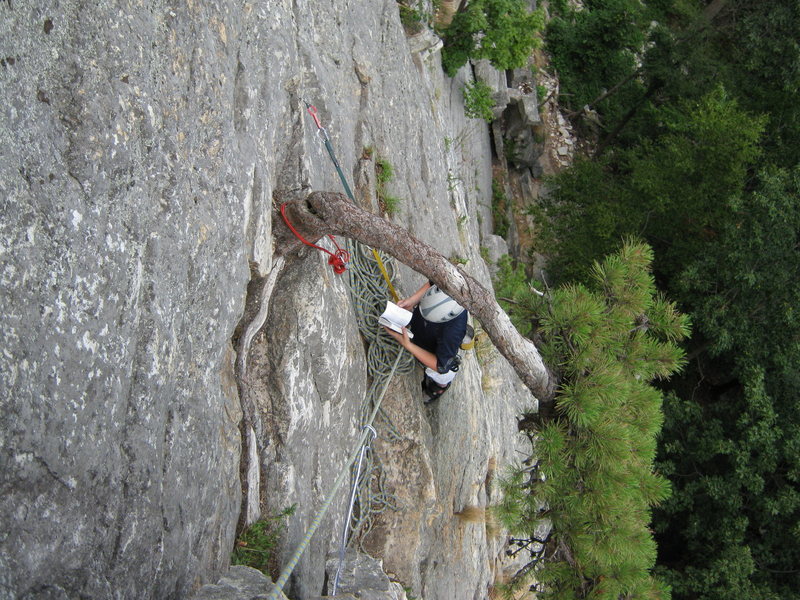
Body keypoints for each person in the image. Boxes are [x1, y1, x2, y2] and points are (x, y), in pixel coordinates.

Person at [383, 281, 468, 402]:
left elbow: (441, 365)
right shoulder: (450, 281)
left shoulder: (453, 331)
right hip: (421, 329)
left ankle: (439, 387)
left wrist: (407, 345)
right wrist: (412, 300)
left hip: (434, 351)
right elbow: (432, 282)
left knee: (443, 376)